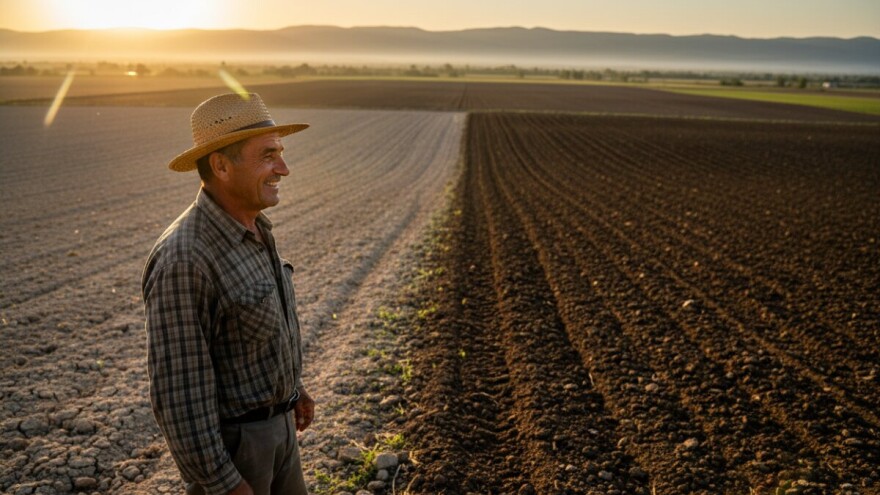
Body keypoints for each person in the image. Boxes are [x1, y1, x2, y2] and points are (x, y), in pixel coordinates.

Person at [142, 93, 314, 495]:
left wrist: (293, 389)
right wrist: (225, 483)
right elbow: (179, 394)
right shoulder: (185, 259)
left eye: (281, 153)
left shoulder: (256, 229)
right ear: (220, 165)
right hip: (236, 452)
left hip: (280, 430)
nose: (284, 169)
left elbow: (254, 331)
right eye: (268, 155)